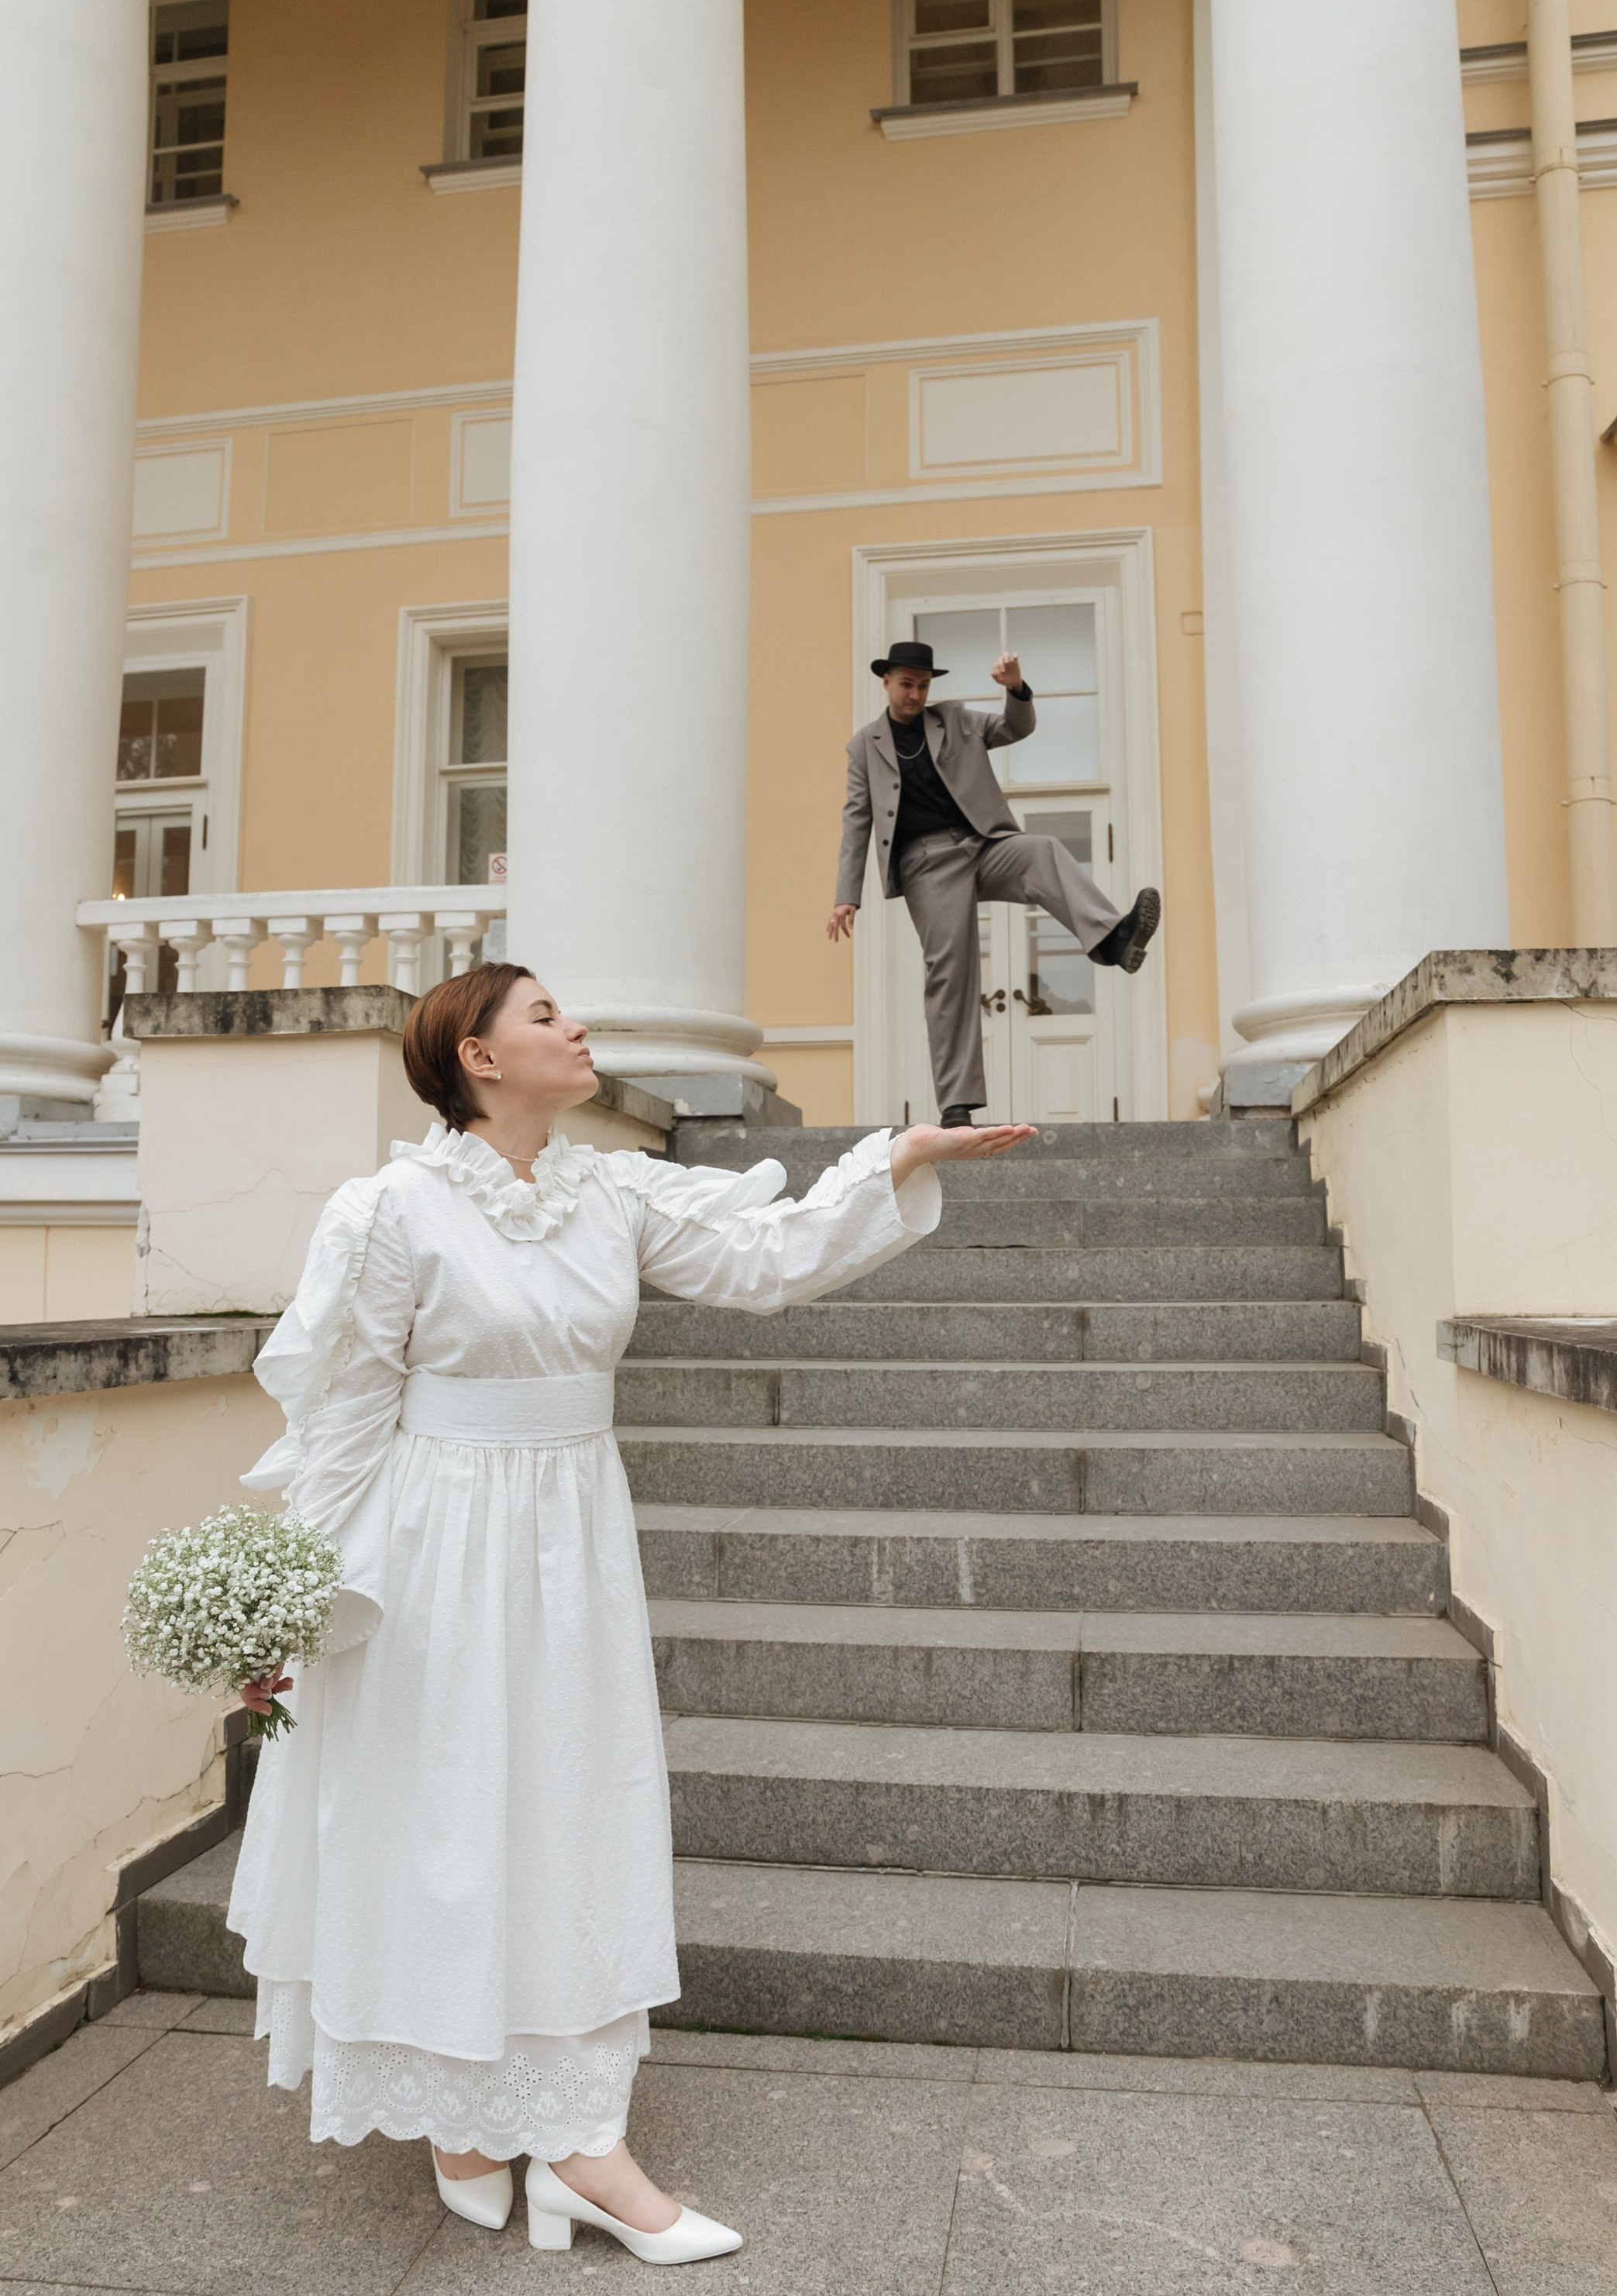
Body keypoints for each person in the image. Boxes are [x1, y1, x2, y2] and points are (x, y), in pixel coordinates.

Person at [227, 960, 1035, 2263]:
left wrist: (891, 1159)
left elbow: (762, 1257)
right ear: (476, 1057)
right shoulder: (391, 1212)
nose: (577, 1026)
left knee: (565, 1805)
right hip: (436, 1551)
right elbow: (343, 1416)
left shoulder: (608, 1192)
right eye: (544, 1014)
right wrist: (300, 1600)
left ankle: (577, 2143)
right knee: (444, 1817)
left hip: (570, 1540)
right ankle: (470, 2119)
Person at [827, 640, 1161, 1125]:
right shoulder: (864, 747)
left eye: (922, 685)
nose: (915, 694)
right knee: (952, 972)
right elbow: (857, 823)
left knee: (1041, 850)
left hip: (983, 844)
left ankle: (1113, 939)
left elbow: (1014, 727)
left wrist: (1017, 690)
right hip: (926, 864)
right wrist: (845, 897)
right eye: (906, 684)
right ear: (886, 682)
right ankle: (957, 1105)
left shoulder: (956, 719)